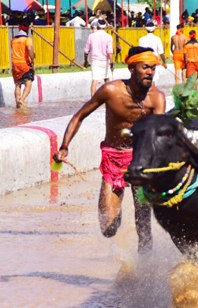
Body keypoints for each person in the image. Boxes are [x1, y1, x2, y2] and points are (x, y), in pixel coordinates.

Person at [53, 47, 166, 254]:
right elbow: (79, 116)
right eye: (145, 67)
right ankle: (117, 206)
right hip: (113, 158)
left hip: (141, 161)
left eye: (153, 67)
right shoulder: (110, 90)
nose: (150, 72)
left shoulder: (156, 98)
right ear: (132, 69)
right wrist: (64, 146)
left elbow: (158, 134)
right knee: (108, 228)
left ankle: (142, 276)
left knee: (143, 225)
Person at [84, 19, 114, 97]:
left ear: (97, 26)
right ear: (105, 27)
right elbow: (110, 51)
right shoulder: (108, 37)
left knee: (94, 80)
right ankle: (109, 98)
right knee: (107, 80)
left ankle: (92, 101)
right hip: (105, 61)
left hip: (95, 61)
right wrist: (112, 63)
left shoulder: (91, 36)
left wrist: (85, 61)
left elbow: (86, 51)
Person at [11, 20, 34, 110]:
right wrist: (32, 59)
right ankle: (22, 100)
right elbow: (29, 48)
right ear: (27, 30)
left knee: (18, 84)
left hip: (15, 64)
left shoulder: (13, 40)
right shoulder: (27, 39)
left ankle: (17, 103)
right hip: (25, 64)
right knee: (28, 83)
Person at [139, 20, 167, 85]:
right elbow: (161, 52)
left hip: (144, 61)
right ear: (154, 29)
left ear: (146, 29)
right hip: (153, 61)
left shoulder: (141, 39)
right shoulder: (157, 39)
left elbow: (140, 52)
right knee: (152, 80)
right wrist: (164, 62)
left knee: (146, 79)